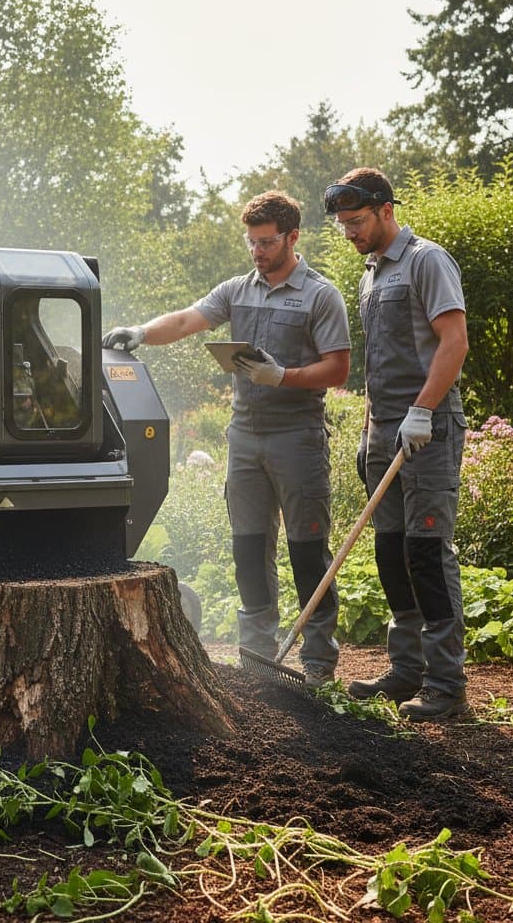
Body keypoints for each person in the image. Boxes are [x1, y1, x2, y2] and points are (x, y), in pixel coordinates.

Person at [103, 191, 350, 687]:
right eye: (251, 242)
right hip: (245, 436)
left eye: (266, 242)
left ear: (292, 237)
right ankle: (256, 653)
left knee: (307, 549)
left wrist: (282, 376)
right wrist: (141, 332)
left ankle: (318, 660)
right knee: (248, 547)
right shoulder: (238, 289)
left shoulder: (321, 295)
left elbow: (338, 369)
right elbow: (188, 319)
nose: (257, 251)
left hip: (297, 436)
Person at [325, 168, 470, 721]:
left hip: (426, 429)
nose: (350, 232)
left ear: (386, 210)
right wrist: (370, 430)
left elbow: (453, 342)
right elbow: (379, 360)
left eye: (357, 222)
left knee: (426, 553)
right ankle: (406, 669)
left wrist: (421, 411)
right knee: (391, 553)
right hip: (383, 430)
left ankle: (446, 684)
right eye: (343, 225)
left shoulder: (427, 261)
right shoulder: (371, 273)